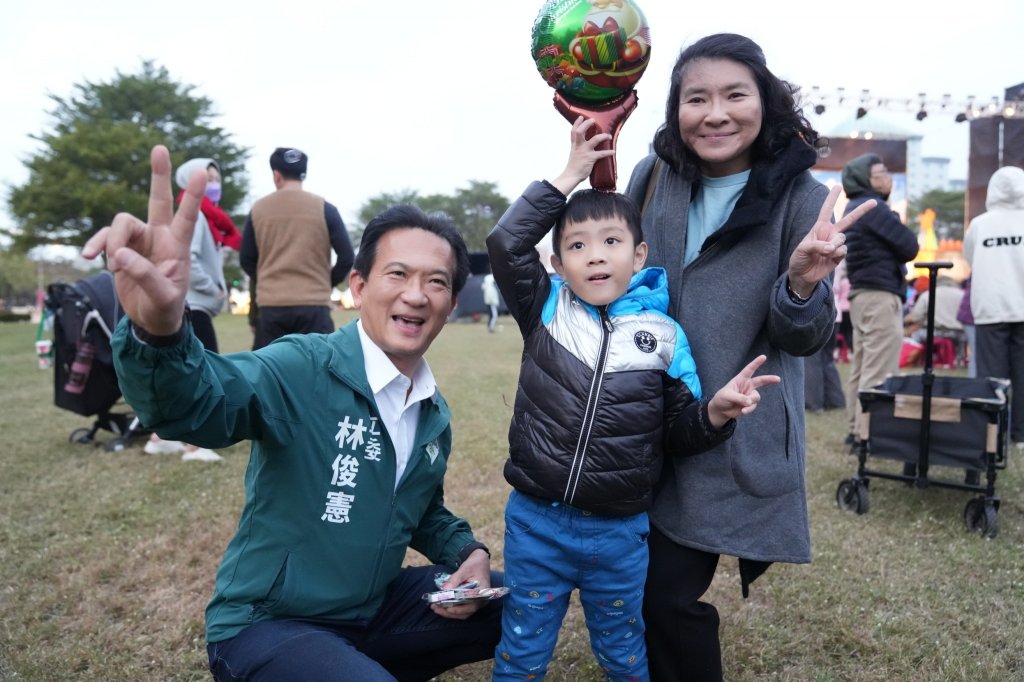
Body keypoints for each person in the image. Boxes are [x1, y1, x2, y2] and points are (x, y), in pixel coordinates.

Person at [82, 145, 503, 681]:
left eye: (437, 282)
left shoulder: (430, 408)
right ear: (358, 286)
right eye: (397, 274)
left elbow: (418, 511)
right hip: (269, 623)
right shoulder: (302, 365)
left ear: (451, 299)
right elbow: (196, 407)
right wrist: (157, 334)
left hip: (370, 611)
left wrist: (468, 551)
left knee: (520, 607)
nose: (417, 296)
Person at [488, 116, 779, 681]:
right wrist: (569, 175)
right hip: (535, 522)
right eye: (577, 246)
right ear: (557, 264)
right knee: (522, 648)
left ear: (638, 255)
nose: (595, 256)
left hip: (618, 533)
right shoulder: (545, 309)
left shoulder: (665, 336)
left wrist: (715, 414)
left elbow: (678, 431)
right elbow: (505, 240)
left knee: (623, 651)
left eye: (611, 242)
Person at [623, 33, 877, 681]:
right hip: (646, 414)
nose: (716, 113)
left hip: (733, 424)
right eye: (695, 98)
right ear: (675, 109)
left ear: (764, 101)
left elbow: (805, 339)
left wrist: (800, 285)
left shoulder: (803, 198)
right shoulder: (654, 178)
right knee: (632, 578)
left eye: (735, 94)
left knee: (669, 593)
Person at [144, 157, 239, 463]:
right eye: (208, 178)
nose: (215, 184)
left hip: (194, 305)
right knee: (203, 373)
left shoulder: (208, 220)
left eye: (217, 176)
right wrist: (214, 289)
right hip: (194, 304)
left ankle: (161, 438)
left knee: (187, 372)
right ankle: (195, 446)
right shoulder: (196, 216)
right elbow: (191, 260)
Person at [240, 147, 355, 350]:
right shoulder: (324, 208)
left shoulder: (258, 210)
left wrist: (267, 278)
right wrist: (325, 282)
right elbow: (346, 256)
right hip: (314, 307)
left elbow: (247, 259)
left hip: (271, 307)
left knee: (270, 375)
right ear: (303, 174)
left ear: (276, 175)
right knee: (316, 374)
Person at [841, 153, 920, 445]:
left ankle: (856, 428)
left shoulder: (855, 207)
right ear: (865, 179)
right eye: (881, 172)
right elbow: (910, 245)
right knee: (879, 368)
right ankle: (868, 435)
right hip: (879, 295)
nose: (887, 177)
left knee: (862, 366)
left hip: (862, 295)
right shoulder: (873, 207)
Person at [963, 165, 1024, 449]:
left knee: (992, 377)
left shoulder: (980, 224)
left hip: (990, 307)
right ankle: (1020, 435)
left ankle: (994, 434)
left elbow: (971, 258)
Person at [804, 279, 846, 413]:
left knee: (812, 358)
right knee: (827, 359)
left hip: (818, 310)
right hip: (835, 313)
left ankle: (814, 403)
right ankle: (836, 400)